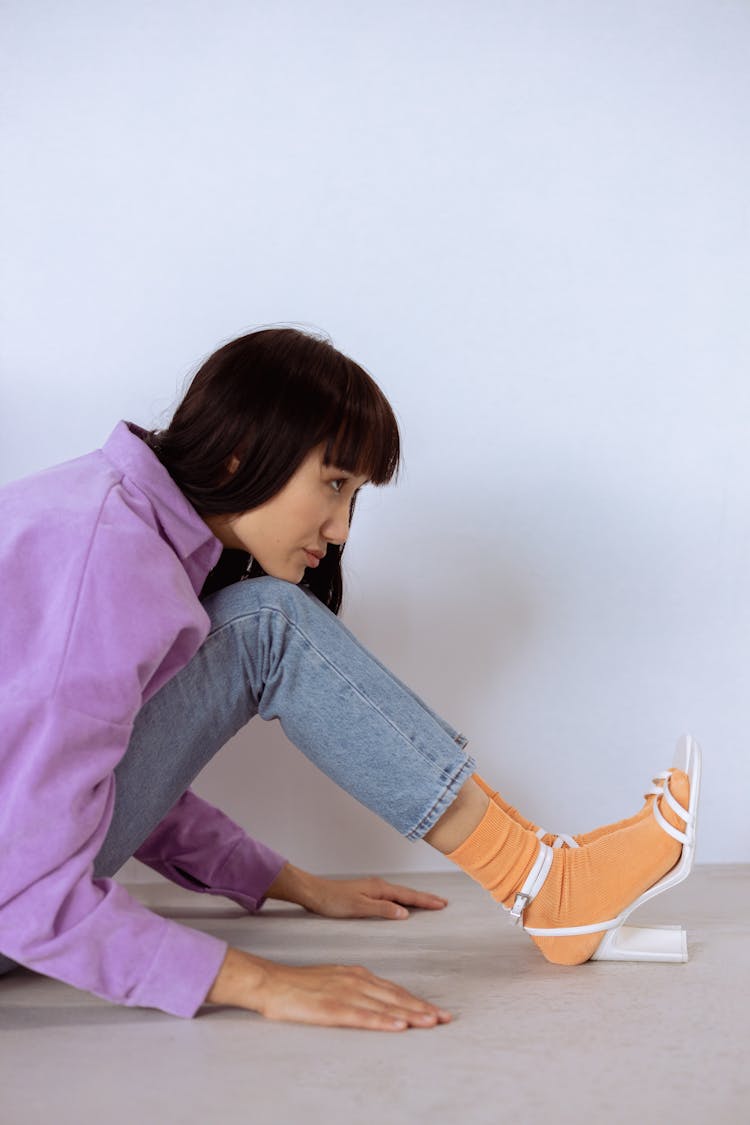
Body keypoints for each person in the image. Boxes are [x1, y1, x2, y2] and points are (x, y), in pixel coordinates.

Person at [0, 327, 699, 1031]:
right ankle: (550, 888)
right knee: (266, 622)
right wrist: (259, 981)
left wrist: (289, 882)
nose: (339, 529)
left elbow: (71, 786)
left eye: (355, 495)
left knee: (257, 619)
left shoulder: (119, 523)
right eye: (334, 482)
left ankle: (545, 869)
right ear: (244, 449)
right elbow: (22, 879)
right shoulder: (107, 555)